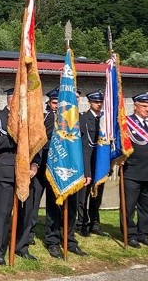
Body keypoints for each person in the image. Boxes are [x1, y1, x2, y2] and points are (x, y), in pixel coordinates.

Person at [0, 88, 40, 265]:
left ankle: (21, 246)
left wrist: (35, 164)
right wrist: (14, 136)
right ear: (11, 100)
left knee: (26, 212)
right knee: (2, 213)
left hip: (26, 172)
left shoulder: (28, 119)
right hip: (6, 170)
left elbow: (36, 144)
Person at [40, 87, 87, 258]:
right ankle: (52, 241)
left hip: (74, 169)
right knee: (54, 206)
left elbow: (84, 148)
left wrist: (86, 172)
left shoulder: (77, 119)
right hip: (54, 168)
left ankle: (69, 239)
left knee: (72, 206)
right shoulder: (47, 119)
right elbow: (42, 142)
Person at [122, 92, 148, 248]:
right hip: (132, 171)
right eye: (144, 106)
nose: (147, 109)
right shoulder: (127, 123)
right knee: (129, 206)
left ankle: (144, 233)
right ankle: (130, 234)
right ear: (135, 106)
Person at [77, 90, 106, 236]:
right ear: (89, 102)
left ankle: (95, 223)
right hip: (86, 161)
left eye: (101, 102)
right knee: (83, 196)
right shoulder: (84, 118)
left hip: (100, 162)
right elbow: (84, 145)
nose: (99, 105)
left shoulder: (105, 121)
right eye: (96, 102)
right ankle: (82, 223)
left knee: (97, 195)